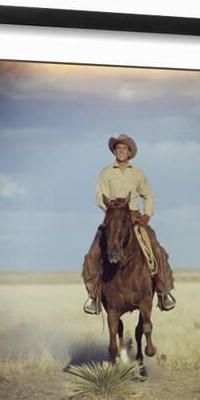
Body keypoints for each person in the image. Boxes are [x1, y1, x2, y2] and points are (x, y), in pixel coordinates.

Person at [82, 133, 176, 315]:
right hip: (112, 219)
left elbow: (148, 195)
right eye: (118, 148)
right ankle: (93, 296)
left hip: (134, 218)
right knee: (92, 254)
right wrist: (113, 210)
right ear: (114, 151)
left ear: (130, 152)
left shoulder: (138, 173)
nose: (121, 151)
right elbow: (99, 196)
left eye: (124, 148)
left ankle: (164, 292)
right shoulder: (106, 173)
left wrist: (147, 215)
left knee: (157, 250)